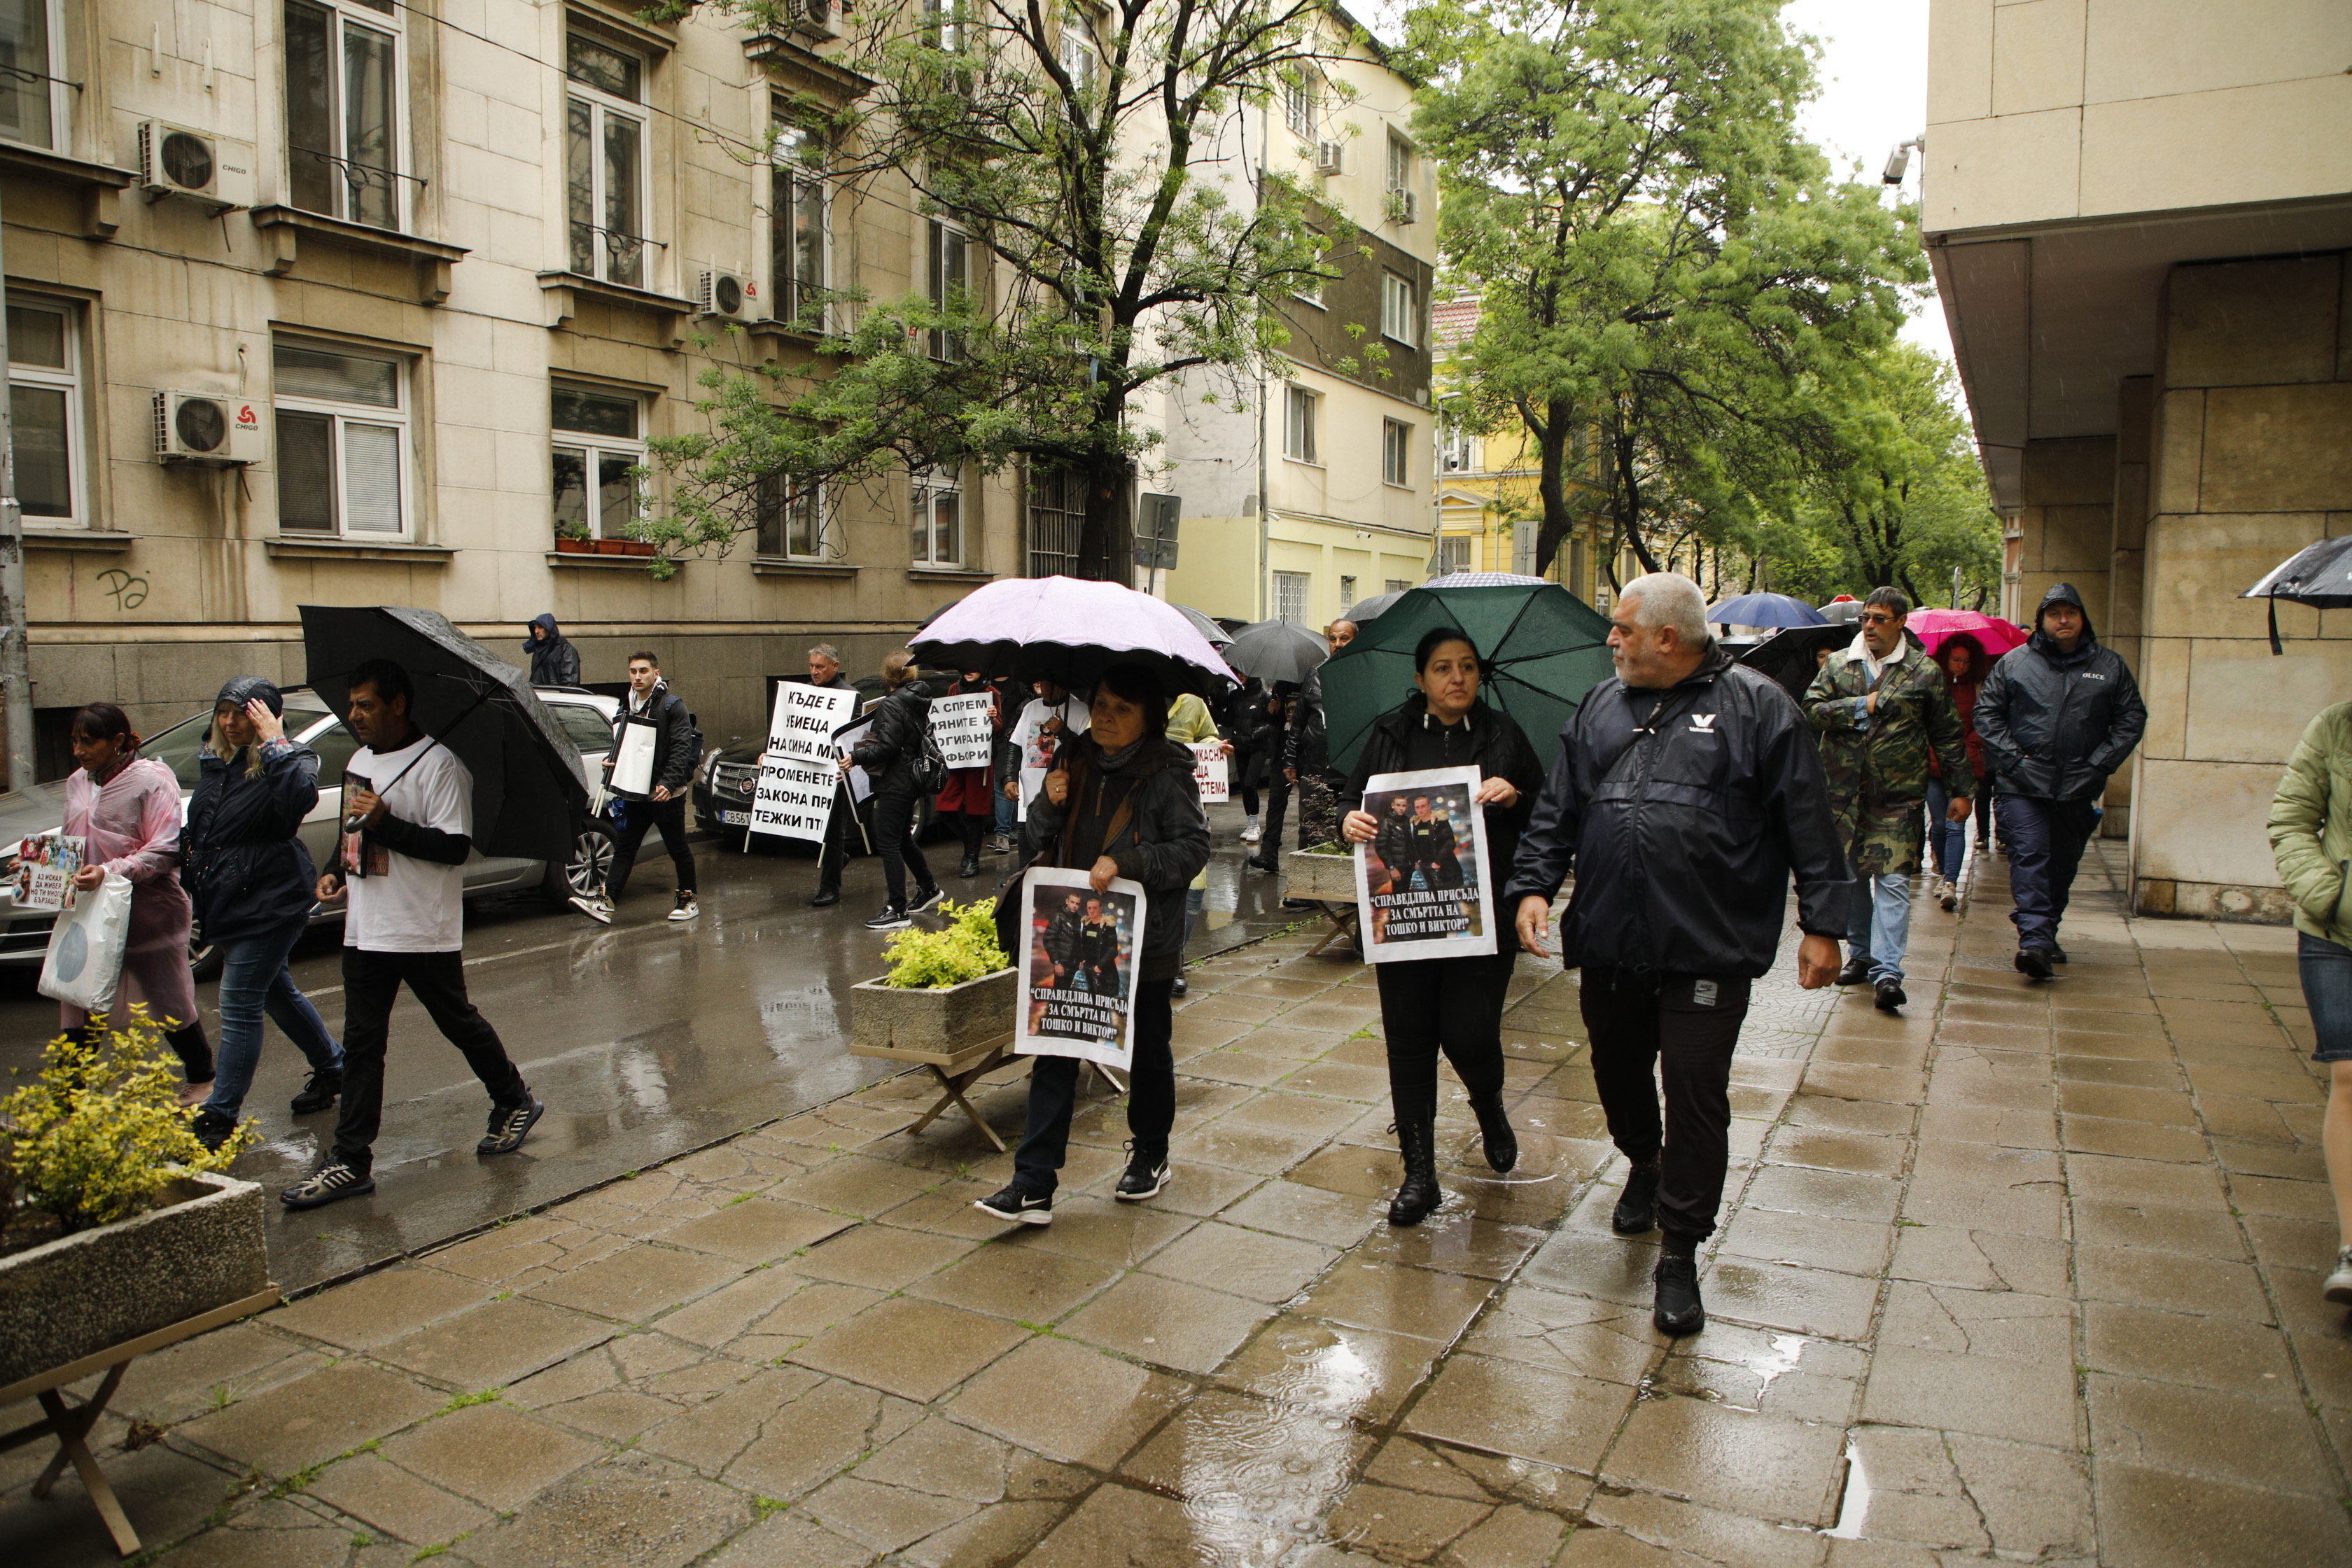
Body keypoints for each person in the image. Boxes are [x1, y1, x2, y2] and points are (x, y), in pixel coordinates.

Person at [1507, 573, 1847, 1336]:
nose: (1612, 639)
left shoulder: (1761, 710)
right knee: (1616, 1071)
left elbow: (1810, 823)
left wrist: (1825, 923)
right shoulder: (1600, 704)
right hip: (1610, 936)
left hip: (1707, 944)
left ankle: (1680, 1249)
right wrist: (1532, 883)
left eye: (1623, 627)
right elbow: (1561, 804)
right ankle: (1644, 1160)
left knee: (1696, 1095)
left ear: (1669, 636)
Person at [284, 659, 544, 1210]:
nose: (355, 715)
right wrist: (334, 867)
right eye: (352, 705)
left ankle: (514, 1098)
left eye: (366, 705)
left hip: (421, 926)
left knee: (458, 1021)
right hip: (365, 926)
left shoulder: (441, 766)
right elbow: (355, 828)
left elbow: (453, 849)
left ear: (398, 705)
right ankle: (352, 1162)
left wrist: (388, 825)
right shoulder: (359, 760)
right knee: (362, 1046)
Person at [975, 662, 1212, 1224]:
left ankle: (1151, 1152)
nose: (1105, 716)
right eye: (1101, 704)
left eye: (1121, 709)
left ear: (1148, 718)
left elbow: (1192, 850)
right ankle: (1033, 1183)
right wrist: (1048, 804)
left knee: (1147, 1052)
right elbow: (1033, 840)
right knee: (1054, 1053)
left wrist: (1127, 862)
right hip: (1068, 929)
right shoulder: (1073, 757)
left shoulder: (1169, 770)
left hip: (1141, 940)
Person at [1341, 628, 1544, 1226]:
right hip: (1404, 918)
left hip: (1481, 916)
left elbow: (1548, 810)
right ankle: (1419, 1174)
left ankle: (1488, 1104)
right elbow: (1354, 802)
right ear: (1420, 678)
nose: (1457, 679)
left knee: (1470, 1033)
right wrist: (1350, 822)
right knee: (1408, 1044)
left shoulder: (1503, 734)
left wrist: (1515, 795)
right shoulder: (1390, 733)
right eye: (1442, 668)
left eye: (1467, 668)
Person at [182, 679, 346, 1150]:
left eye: (244, 714)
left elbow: (299, 799)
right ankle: (335, 1067)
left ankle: (220, 1115)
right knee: (275, 992)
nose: (232, 723)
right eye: (225, 713)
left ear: (266, 717)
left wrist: (274, 741)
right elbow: (208, 827)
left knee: (237, 1002)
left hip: (271, 897)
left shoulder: (291, 758)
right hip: (229, 896)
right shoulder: (215, 761)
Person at [1802, 587, 1973, 1014]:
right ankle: (1860, 954)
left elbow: (1948, 734)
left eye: (1880, 619)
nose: (1870, 626)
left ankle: (1888, 972)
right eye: (1865, 619)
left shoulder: (1924, 672)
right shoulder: (1841, 664)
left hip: (1897, 799)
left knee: (1894, 881)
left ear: (1901, 622)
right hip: (1843, 795)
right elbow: (1810, 709)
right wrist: (1862, 705)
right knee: (1855, 877)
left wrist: (1961, 790)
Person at [1973, 582, 2147, 978]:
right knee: (2031, 855)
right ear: (2042, 622)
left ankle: (2046, 931)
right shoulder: (2015, 663)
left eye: (2070, 613)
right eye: (2055, 614)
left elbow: (2131, 718)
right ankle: (2033, 940)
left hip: (2078, 786)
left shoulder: (2110, 666)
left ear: (2083, 618)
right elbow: (1987, 714)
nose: (2063, 620)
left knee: (2062, 865)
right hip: (2022, 784)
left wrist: (2099, 764)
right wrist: (2015, 761)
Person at [46, 704, 212, 1102]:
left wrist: (111, 871)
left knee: (166, 993)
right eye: (74, 742)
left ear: (119, 741)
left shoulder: (152, 780)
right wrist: (40, 871)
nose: (79, 751)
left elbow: (166, 846)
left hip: (148, 911)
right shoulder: (77, 783)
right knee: (78, 995)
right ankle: (70, 1096)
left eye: (89, 742)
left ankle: (203, 1075)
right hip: (87, 909)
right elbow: (71, 845)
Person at [2267, 699, 2352, 1307]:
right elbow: (2292, 819)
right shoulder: (2335, 725)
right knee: (2349, 1077)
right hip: (2336, 933)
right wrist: (2330, 894)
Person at [575, 652, 699, 924]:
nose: (637, 676)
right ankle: (606, 903)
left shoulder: (671, 705)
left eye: (643, 671)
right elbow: (625, 745)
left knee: (677, 847)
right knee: (625, 847)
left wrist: (669, 782)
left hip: (665, 793)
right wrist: (613, 761)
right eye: (633, 671)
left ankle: (688, 899)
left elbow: (682, 747)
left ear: (656, 673)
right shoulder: (627, 707)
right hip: (635, 791)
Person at [848, 652, 941, 930]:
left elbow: (887, 746)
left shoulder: (891, 704)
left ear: (887, 677)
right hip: (912, 779)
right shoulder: (917, 701)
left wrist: (856, 757)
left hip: (896, 781)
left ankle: (897, 909)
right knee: (901, 838)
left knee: (887, 841)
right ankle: (928, 888)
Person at [1164, 688, 1231, 995]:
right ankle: (1159, 960)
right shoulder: (1127, 695)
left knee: (1194, 885)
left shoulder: (1192, 703)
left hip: (1188, 810)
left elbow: (1205, 737)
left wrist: (1215, 748)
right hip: (1141, 811)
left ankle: (1175, 958)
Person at [1279, 619, 1355, 858]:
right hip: (1313, 767)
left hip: (1348, 770)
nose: (1338, 644)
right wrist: (1290, 760)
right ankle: (1307, 891)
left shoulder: (1363, 673)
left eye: (1344, 638)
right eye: (1333, 639)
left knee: (1345, 829)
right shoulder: (1315, 673)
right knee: (1310, 827)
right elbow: (1298, 722)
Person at [1924, 634, 1989, 909]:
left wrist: (1967, 744)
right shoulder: (1932, 684)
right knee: (1938, 825)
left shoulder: (1978, 688)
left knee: (1956, 824)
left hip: (1964, 765)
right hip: (1933, 764)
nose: (1960, 665)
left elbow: (1985, 722)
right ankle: (1941, 869)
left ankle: (1951, 881)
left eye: (1966, 661)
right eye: (1956, 660)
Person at [803, 644, 863, 910]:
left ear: (835, 667)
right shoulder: (804, 693)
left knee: (833, 830)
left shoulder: (851, 697)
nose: (814, 672)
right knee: (808, 826)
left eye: (820, 667)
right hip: (810, 772)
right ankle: (837, 859)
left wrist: (847, 766)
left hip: (836, 774)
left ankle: (830, 888)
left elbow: (856, 738)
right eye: (812, 666)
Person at [1005, 678, 1089, 862]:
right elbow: (1015, 744)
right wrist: (1010, 777)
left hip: (1059, 804)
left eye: (1053, 682)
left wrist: (1063, 732)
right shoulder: (1030, 708)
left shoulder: (1082, 712)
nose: (1046, 687)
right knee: (1026, 863)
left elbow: (1087, 754)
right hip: (1027, 802)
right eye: (1043, 682)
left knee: (1053, 862)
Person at [936, 672, 999, 880]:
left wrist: (993, 717)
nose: (970, 671)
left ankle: (973, 858)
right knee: (944, 805)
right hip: (956, 758)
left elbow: (999, 726)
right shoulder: (954, 689)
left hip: (979, 760)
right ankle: (969, 843)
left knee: (975, 810)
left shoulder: (991, 692)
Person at [1224, 676, 1275, 844]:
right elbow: (1227, 720)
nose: (1239, 676)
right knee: (1245, 787)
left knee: (1249, 784)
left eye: (1243, 673)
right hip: (1240, 746)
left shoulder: (1265, 696)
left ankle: (1255, 826)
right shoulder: (1235, 696)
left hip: (1258, 747)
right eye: (1237, 672)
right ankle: (1251, 823)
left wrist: (1255, 733)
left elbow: (1273, 723)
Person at [524, 613, 580, 688]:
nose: (536, 631)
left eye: (540, 627)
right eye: (535, 628)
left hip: (556, 697)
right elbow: (535, 679)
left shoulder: (565, 650)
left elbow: (570, 683)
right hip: (541, 697)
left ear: (549, 629)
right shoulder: (539, 651)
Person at [1042, 889, 1084, 986]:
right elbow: (1048, 939)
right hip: (1062, 963)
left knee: (1066, 993)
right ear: (1067, 901)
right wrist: (1057, 963)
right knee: (1059, 993)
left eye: (1077, 904)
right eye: (1072, 902)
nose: (1074, 906)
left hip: (1073, 965)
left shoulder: (1078, 919)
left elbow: (1078, 941)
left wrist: (1080, 959)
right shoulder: (1059, 916)